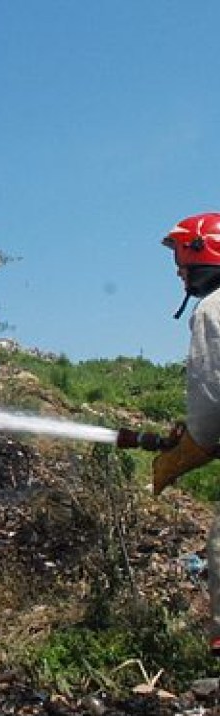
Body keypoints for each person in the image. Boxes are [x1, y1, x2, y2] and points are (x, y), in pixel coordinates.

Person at [157, 212, 220, 654]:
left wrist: (175, 459)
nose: (179, 270)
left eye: (181, 258)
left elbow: (209, 416)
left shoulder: (212, 310)